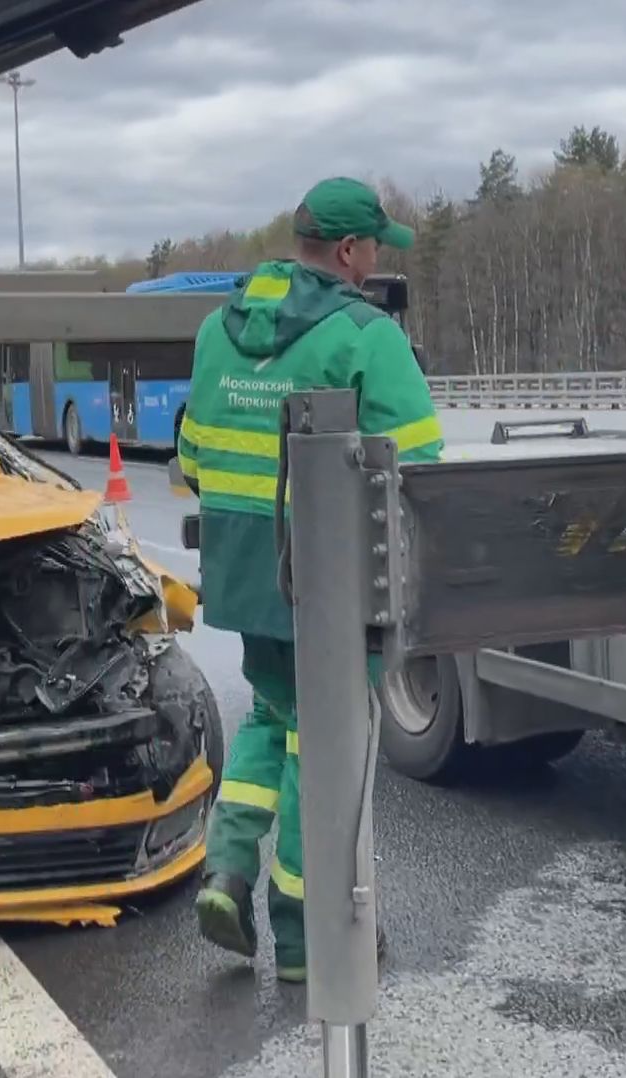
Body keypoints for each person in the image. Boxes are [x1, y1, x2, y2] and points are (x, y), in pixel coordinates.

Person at [178, 177, 443, 983]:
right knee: (322, 746)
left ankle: (225, 869)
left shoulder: (215, 332)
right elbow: (421, 469)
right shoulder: (366, 336)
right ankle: (306, 934)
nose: (371, 267)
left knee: (270, 712)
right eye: (372, 252)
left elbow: (192, 461)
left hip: (243, 570)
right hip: (329, 583)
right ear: (351, 252)